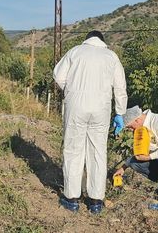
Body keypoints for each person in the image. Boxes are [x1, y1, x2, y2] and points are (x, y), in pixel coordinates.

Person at [53, 30, 127, 214]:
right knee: (98, 152)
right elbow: (120, 87)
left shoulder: (75, 52)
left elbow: (58, 76)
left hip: (76, 107)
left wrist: (71, 90)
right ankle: (95, 201)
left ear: (86, 40)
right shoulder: (111, 56)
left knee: (73, 150)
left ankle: (72, 199)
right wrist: (120, 112)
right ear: (103, 41)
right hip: (101, 109)